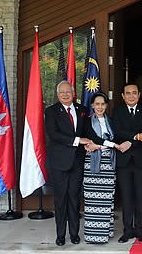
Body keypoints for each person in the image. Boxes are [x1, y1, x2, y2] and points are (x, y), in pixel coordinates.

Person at [45, 81, 116, 246]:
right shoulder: (51, 111)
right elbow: (54, 135)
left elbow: (88, 133)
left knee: (75, 198)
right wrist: (79, 140)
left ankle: (75, 234)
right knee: (61, 200)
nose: (65, 94)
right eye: (62, 92)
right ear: (57, 94)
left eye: (68, 92)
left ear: (73, 93)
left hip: (77, 162)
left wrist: (98, 143)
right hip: (59, 162)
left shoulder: (82, 110)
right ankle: (61, 235)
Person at [111, 83, 142, 243]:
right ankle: (128, 230)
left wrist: (130, 142)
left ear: (139, 94)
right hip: (124, 161)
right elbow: (117, 131)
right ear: (122, 95)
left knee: (141, 197)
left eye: (134, 93)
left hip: (141, 160)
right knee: (127, 197)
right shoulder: (118, 111)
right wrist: (135, 137)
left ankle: (140, 230)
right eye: (128, 93)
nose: (131, 96)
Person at [83, 92, 116, 244]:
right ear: (92, 105)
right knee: (92, 199)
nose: (100, 107)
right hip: (93, 162)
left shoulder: (112, 121)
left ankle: (106, 232)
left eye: (103, 104)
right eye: (97, 104)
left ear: (106, 105)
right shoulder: (87, 121)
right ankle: (93, 235)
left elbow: (115, 138)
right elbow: (92, 138)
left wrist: (103, 145)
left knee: (107, 199)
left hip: (109, 162)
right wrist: (104, 144)